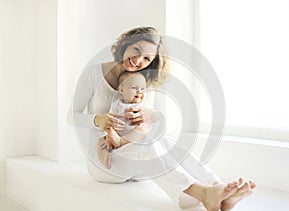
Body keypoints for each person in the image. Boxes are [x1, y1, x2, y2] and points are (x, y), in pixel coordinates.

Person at [69, 26, 255, 211]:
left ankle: (218, 189)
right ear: (125, 44)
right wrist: (97, 120)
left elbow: (150, 131)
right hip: (105, 162)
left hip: (138, 163)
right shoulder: (93, 73)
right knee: (148, 146)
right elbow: (71, 117)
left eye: (147, 58)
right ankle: (203, 193)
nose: (138, 60)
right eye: (137, 50)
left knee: (167, 141)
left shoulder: (142, 82)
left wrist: (151, 116)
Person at [97, 71, 151, 169]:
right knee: (101, 141)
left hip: (135, 137)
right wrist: (110, 134)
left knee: (143, 129)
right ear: (122, 90)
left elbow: (149, 117)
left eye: (143, 88)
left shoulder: (143, 104)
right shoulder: (116, 104)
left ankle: (121, 142)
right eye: (134, 88)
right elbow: (111, 120)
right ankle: (104, 158)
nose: (139, 91)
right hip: (117, 135)